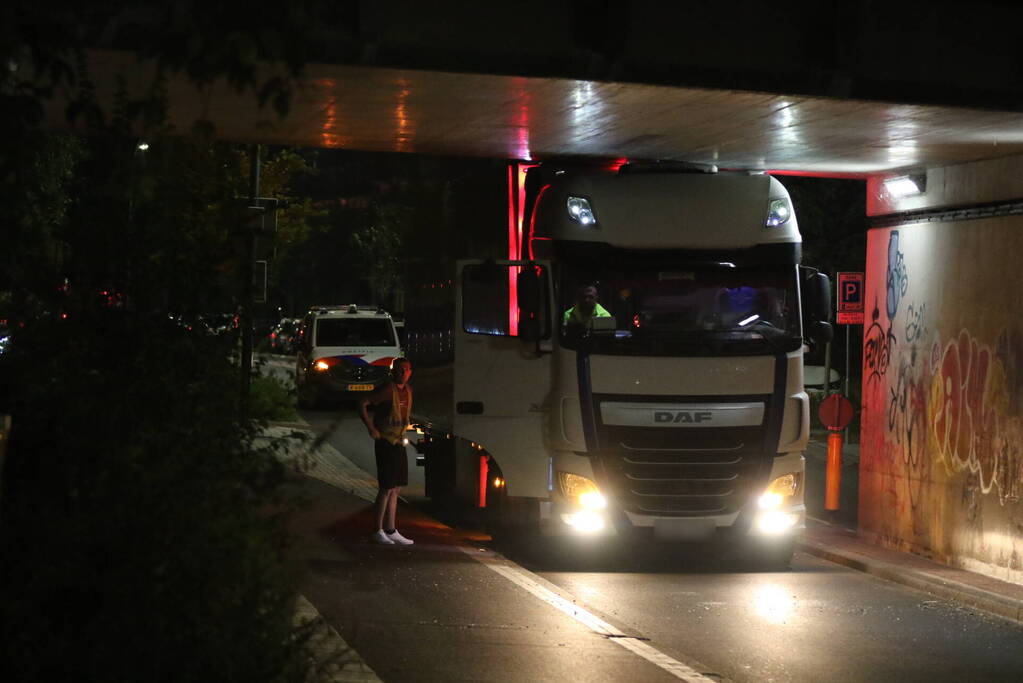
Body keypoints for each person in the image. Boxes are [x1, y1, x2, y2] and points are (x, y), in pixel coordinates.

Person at [358, 357, 415, 546]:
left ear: (410, 372)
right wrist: (371, 428)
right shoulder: (387, 390)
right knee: (386, 487)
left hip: (398, 442)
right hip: (386, 442)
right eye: (399, 370)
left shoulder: (407, 391)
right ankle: (377, 530)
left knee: (396, 487)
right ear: (393, 372)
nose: (403, 373)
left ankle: (391, 530)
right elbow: (363, 403)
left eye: (406, 370)